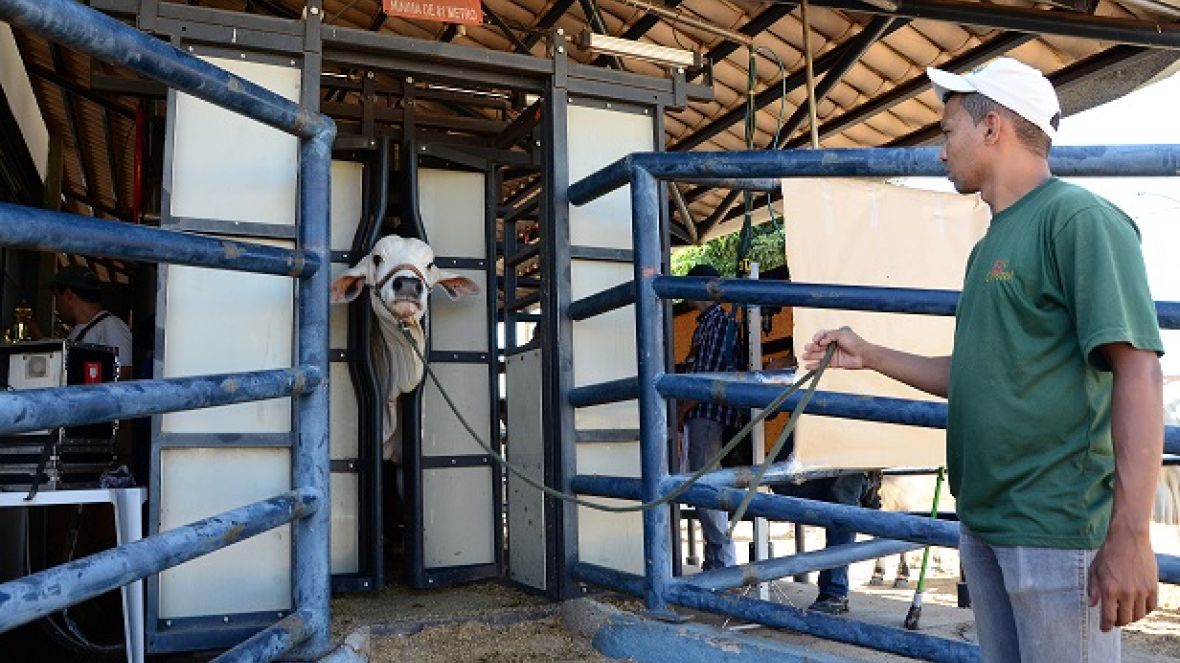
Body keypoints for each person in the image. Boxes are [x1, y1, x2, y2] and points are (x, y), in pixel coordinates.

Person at [803, 58, 1163, 661]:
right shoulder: (991, 244)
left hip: (1054, 528)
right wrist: (868, 354)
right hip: (988, 525)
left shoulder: (1078, 220)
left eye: (947, 132)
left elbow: (1138, 369)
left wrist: (1131, 534)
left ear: (991, 127)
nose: (941, 152)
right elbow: (973, 376)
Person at [677, 262, 743, 570]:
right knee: (704, 485)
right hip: (702, 412)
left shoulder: (717, 323)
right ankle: (715, 560)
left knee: (707, 487)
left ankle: (723, 563)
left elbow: (707, 377)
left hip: (707, 413)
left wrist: (680, 411)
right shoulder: (707, 324)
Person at [51, 264, 133, 379]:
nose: (56, 305)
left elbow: (123, 376)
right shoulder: (78, 330)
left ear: (68, 295)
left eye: (57, 297)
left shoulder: (111, 325)